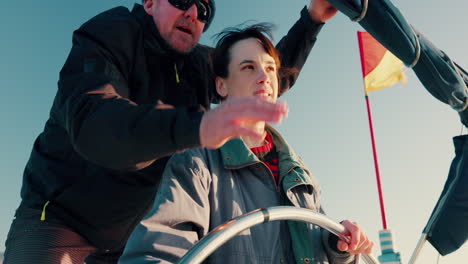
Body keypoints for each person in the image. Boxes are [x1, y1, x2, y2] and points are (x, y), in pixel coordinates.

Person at [4, 0, 338, 263]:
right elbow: (94, 124)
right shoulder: (110, 35)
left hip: (137, 235)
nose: (193, 12)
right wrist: (198, 126)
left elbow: (257, 77)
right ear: (150, 2)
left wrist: (313, 18)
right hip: (61, 224)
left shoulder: (197, 66)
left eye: (205, 9)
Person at [118, 24, 374, 264]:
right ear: (221, 85)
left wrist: (336, 246)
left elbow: (311, 247)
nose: (264, 77)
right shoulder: (196, 163)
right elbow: (155, 254)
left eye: (271, 68)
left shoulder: (299, 173)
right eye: (248, 67)